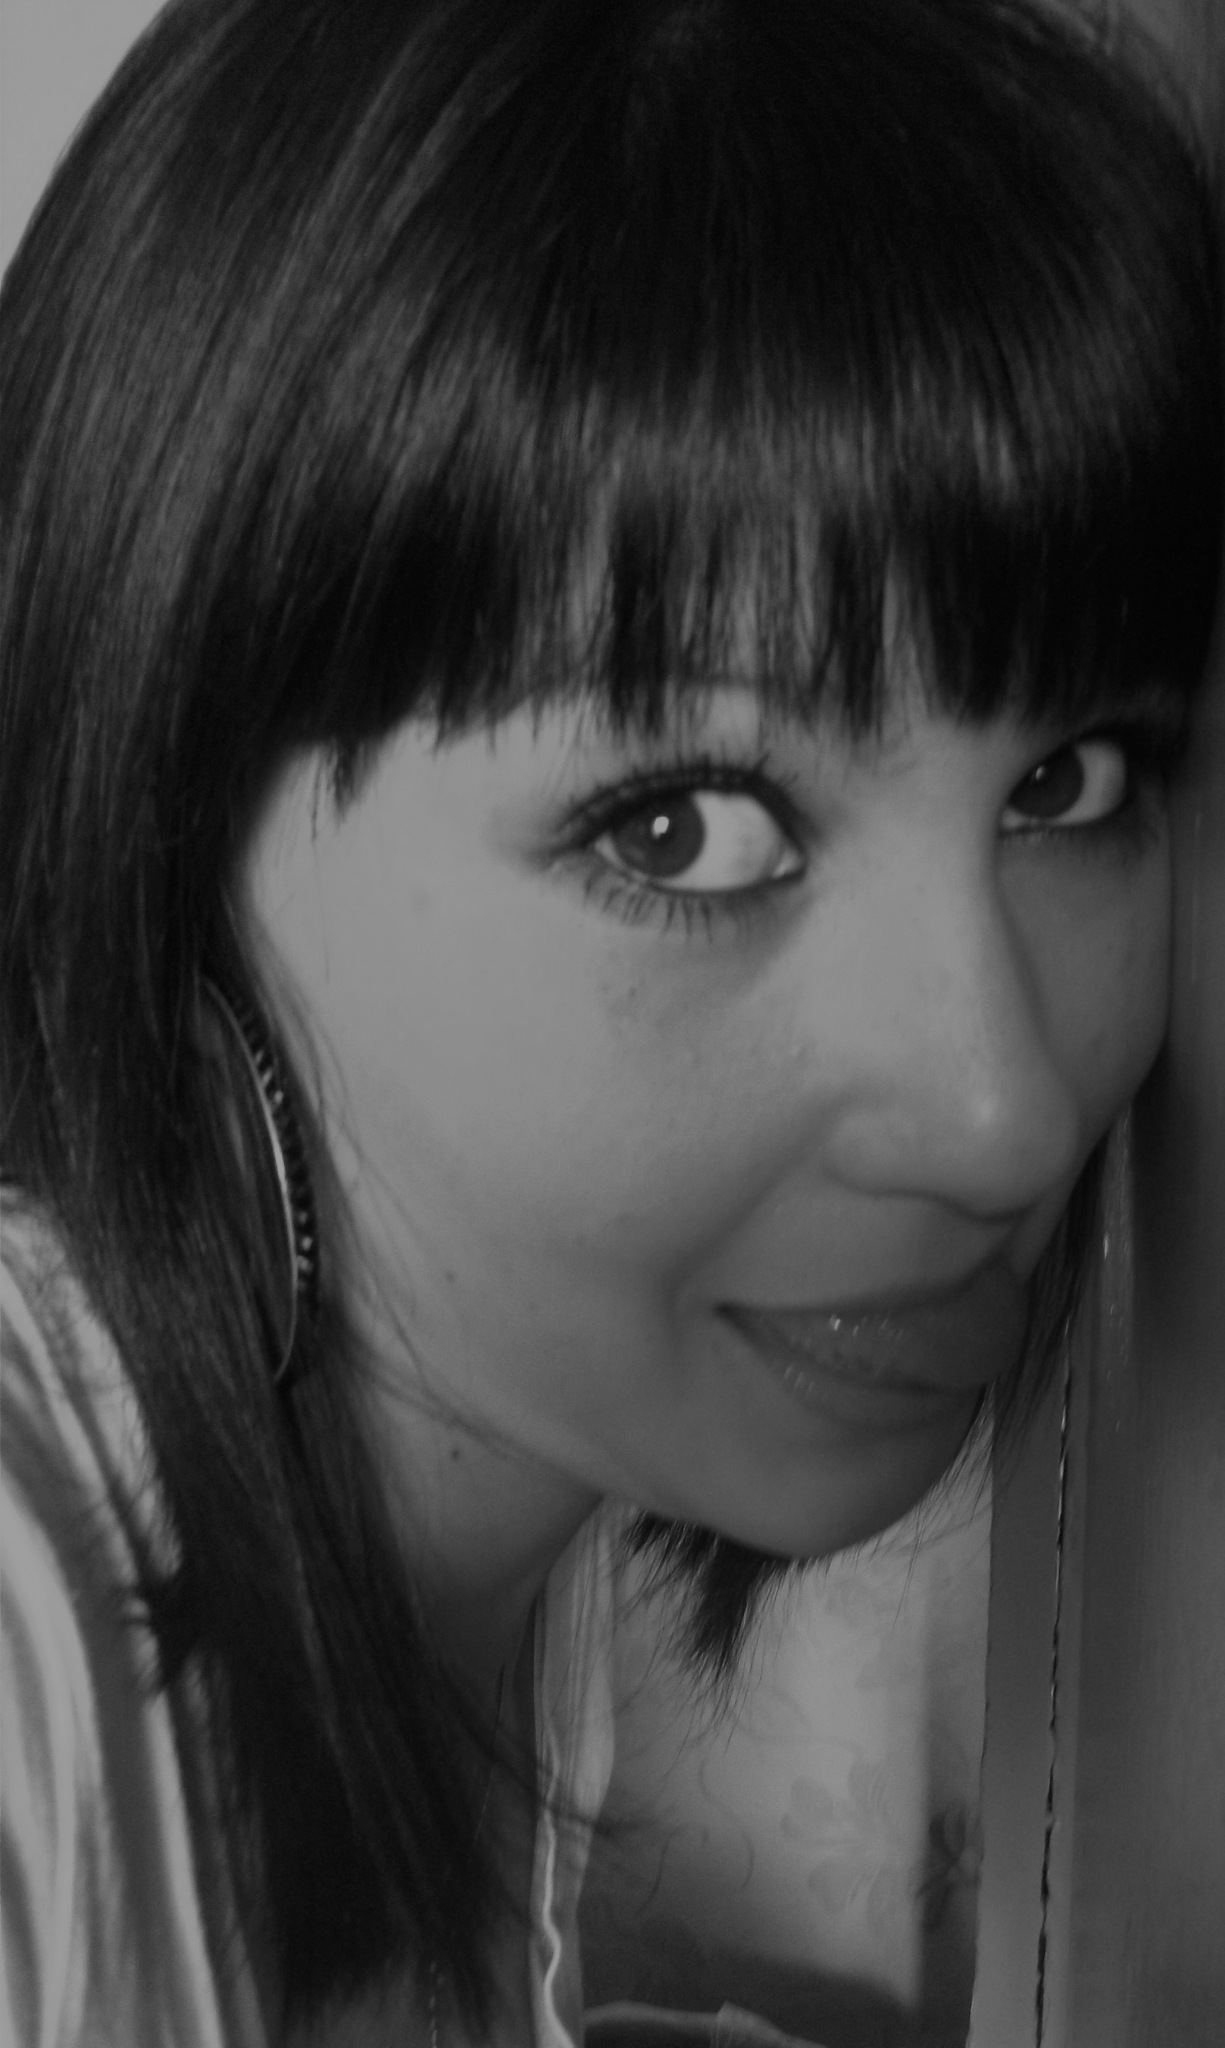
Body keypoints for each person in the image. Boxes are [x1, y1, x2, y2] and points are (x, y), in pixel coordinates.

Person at [1, 0, 1220, 2042]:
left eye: (1069, 782)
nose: (1007, 1112)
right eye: (681, 828)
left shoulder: (478, 1480)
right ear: (171, 804)